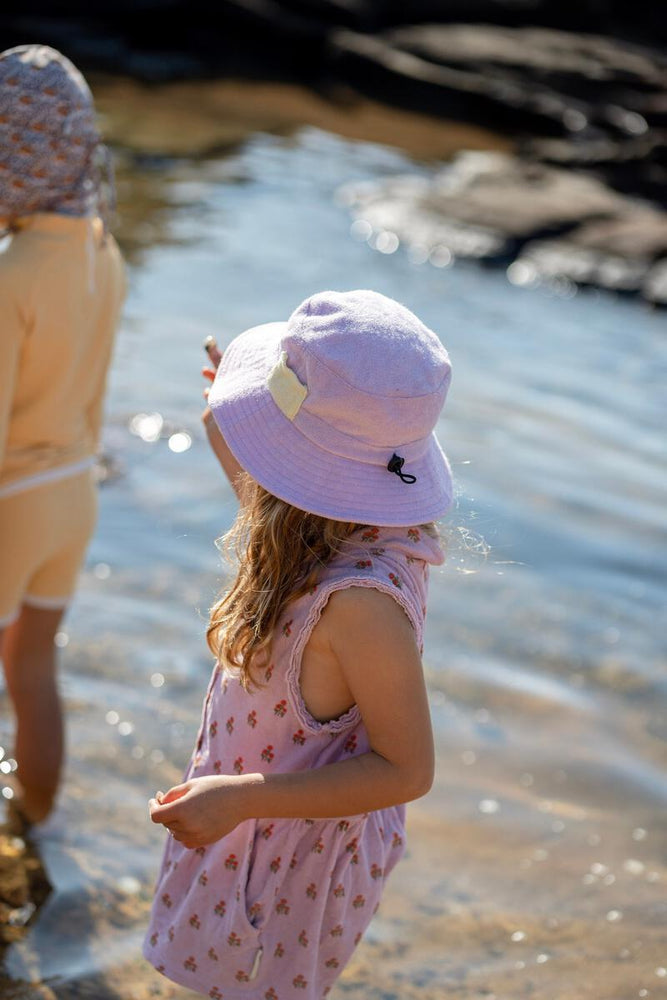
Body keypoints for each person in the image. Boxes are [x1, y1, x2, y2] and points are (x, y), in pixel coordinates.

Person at [145, 289, 453, 999]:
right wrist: (238, 407)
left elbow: (407, 771)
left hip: (296, 854)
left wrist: (243, 800)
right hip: (251, 818)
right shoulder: (314, 530)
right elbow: (259, 494)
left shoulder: (358, 606)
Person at [0, 45, 126, 823]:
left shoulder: (12, 273)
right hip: (73, 491)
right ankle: (35, 821)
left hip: (11, 495)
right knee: (34, 665)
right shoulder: (104, 252)